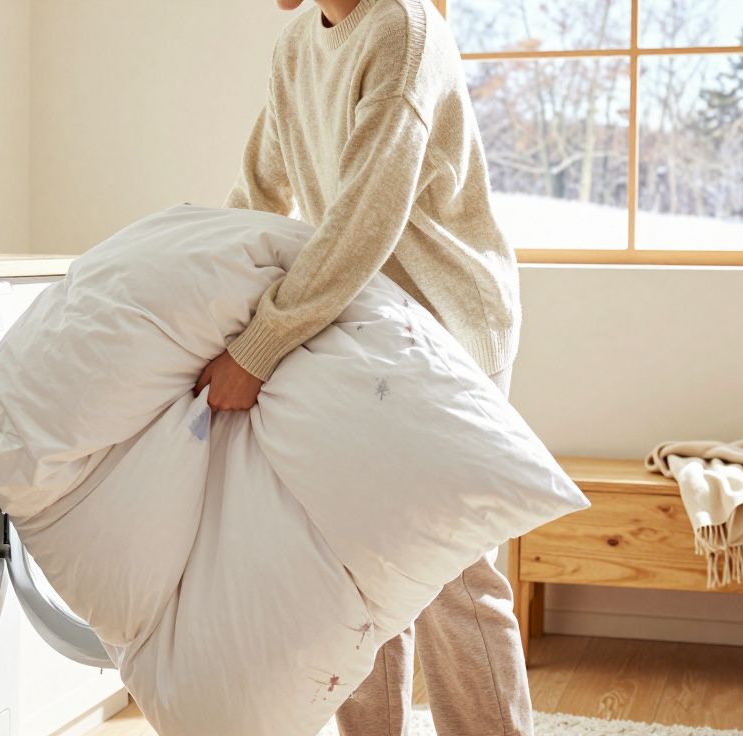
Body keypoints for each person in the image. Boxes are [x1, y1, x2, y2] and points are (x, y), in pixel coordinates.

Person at [193, 0, 530, 734]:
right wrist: (200, 298)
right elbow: (257, 194)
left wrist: (257, 348)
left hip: (448, 322)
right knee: (352, 564)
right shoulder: (296, 50)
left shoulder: (404, 30)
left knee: (449, 569)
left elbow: (363, 218)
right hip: (364, 322)